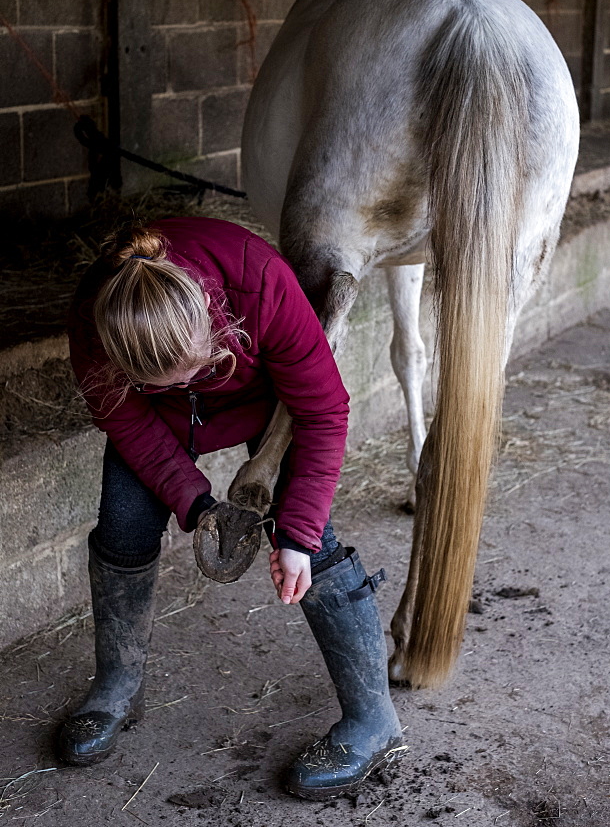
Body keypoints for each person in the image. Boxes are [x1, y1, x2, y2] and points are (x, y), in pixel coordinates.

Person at [60, 216, 402, 798]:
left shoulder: (258, 281)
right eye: (164, 379)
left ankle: (374, 723)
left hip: (264, 397)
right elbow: (125, 420)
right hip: (163, 424)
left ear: (213, 322)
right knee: (123, 523)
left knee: (312, 539)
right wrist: (195, 503)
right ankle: (117, 687)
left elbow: (324, 412)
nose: (187, 379)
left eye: (197, 366)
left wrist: (293, 534)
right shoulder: (96, 323)